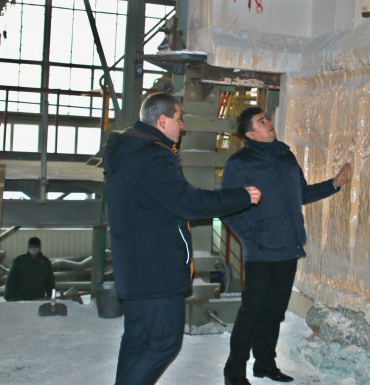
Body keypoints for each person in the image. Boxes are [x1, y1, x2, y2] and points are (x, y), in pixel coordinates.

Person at [103, 92, 261, 385]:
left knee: (138, 341)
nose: (183, 125)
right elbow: (190, 203)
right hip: (156, 271)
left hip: (135, 268)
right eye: (179, 118)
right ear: (162, 121)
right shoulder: (153, 155)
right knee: (163, 343)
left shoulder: (130, 150)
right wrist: (241, 196)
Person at [221, 106, 351, 385]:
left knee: (274, 311)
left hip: (288, 246)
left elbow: (301, 193)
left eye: (266, 119)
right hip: (261, 250)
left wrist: (333, 184)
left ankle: (265, 364)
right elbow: (229, 208)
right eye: (261, 122)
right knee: (252, 311)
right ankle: (234, 372)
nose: (268, 123)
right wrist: (253, 236)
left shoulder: (285, 155)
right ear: (250, 134)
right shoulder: (240, 163)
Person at [4, 237, 55, 301]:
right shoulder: (19, 261)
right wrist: (8, 296)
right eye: (32, 246)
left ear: (40, 247)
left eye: (36, 246)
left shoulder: (45, 262)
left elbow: (50, 281)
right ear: (28, 247)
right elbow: (10, 279)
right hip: (20, 298)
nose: (34, 248)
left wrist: (51, 296)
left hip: (38, 297)